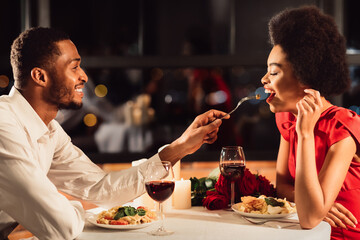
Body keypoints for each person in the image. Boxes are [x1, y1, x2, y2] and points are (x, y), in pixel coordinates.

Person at [0, 27, 229, 240]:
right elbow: (61, 226)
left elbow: (102, 188)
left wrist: (181, 146)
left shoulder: (49, 130)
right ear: (40, 76)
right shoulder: (4, 126)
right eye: (74, 67)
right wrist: (72, 208)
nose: (84, 77)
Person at [261, 6, 360, 239]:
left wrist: (305, 134)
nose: (264, 80)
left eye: (274, 73)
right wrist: (320, 206)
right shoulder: (286, 118)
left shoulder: (342, 127)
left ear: (305, 77)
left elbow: (309, 219)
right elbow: (282, 187)